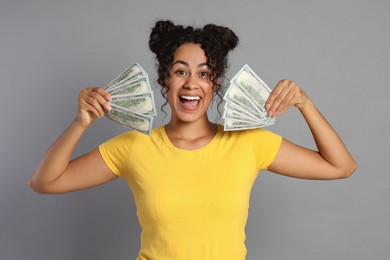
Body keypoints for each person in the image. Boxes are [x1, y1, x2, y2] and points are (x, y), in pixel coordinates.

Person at [29, 20, 357, 260]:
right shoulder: (133, 147)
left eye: (203, 73)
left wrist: (305, 103)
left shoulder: (247, 143)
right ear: (164, 77)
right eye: (181, 71)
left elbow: (340, 166)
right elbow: (45, 182)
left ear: (215, 83)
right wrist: (80, 122)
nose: (191, 84)